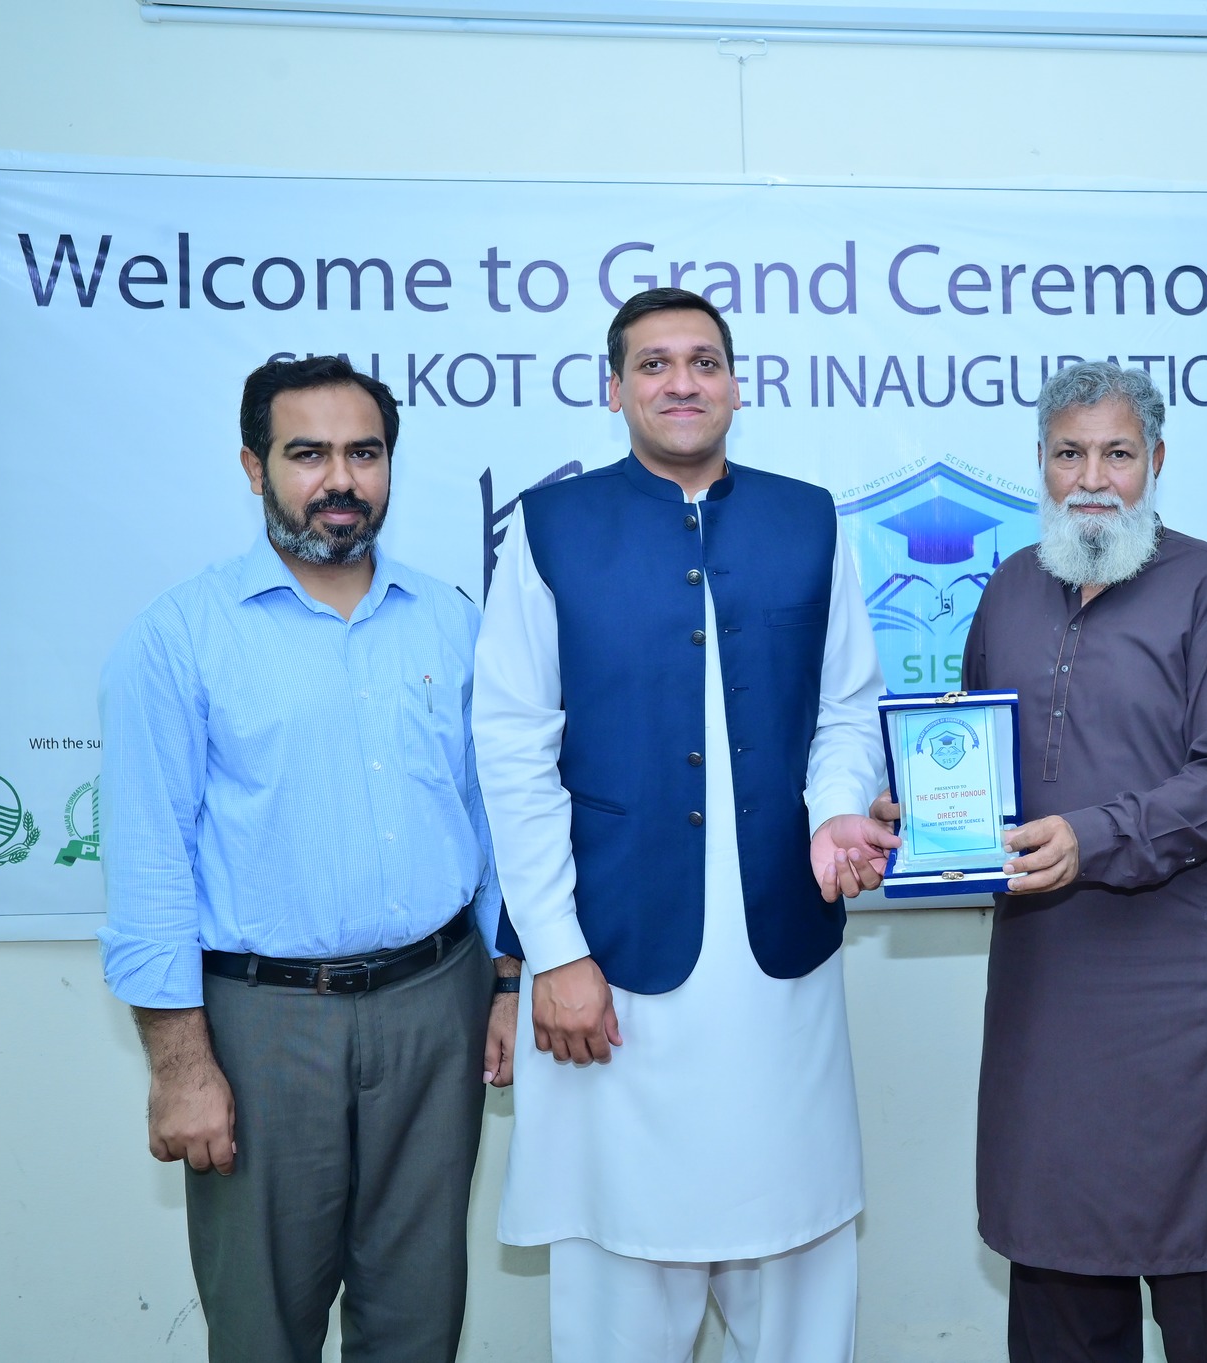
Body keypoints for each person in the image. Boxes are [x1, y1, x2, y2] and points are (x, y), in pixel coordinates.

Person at [472, 286, 896, 1363]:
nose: (681, 382)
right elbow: (513, 749)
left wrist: (835, 811)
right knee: (621, 1276)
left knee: (799, 1263)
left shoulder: (807, 518)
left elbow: (847, 707)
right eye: (653, 363)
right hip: (611, 969)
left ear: (736, 384)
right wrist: (554, 952)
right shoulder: (552, 529)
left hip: (778, 960)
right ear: (613, 388)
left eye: (704, 361)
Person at [98, 355, 518, 1363]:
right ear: (255, 468)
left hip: (436, 1009)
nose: (340, 479)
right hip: (262, 1025)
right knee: (262, 1328)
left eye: (364, 454)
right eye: (308, 454)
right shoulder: (178, 637)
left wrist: (508, 982)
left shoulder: (451, 620)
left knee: (418, 1319)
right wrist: (180, 1066)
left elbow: (493, 819)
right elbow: (150, 863)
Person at [877, 360, 1207, 1361]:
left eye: (1116, 453)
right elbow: (977, 759)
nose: (1092, 478)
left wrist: (1092, 836)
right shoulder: (1009, 588)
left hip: (1184, 992)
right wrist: (922, 817)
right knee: (1055, 1263)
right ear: (1041, 462)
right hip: (1047, 985)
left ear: (1156, 460)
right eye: (1069, 453)